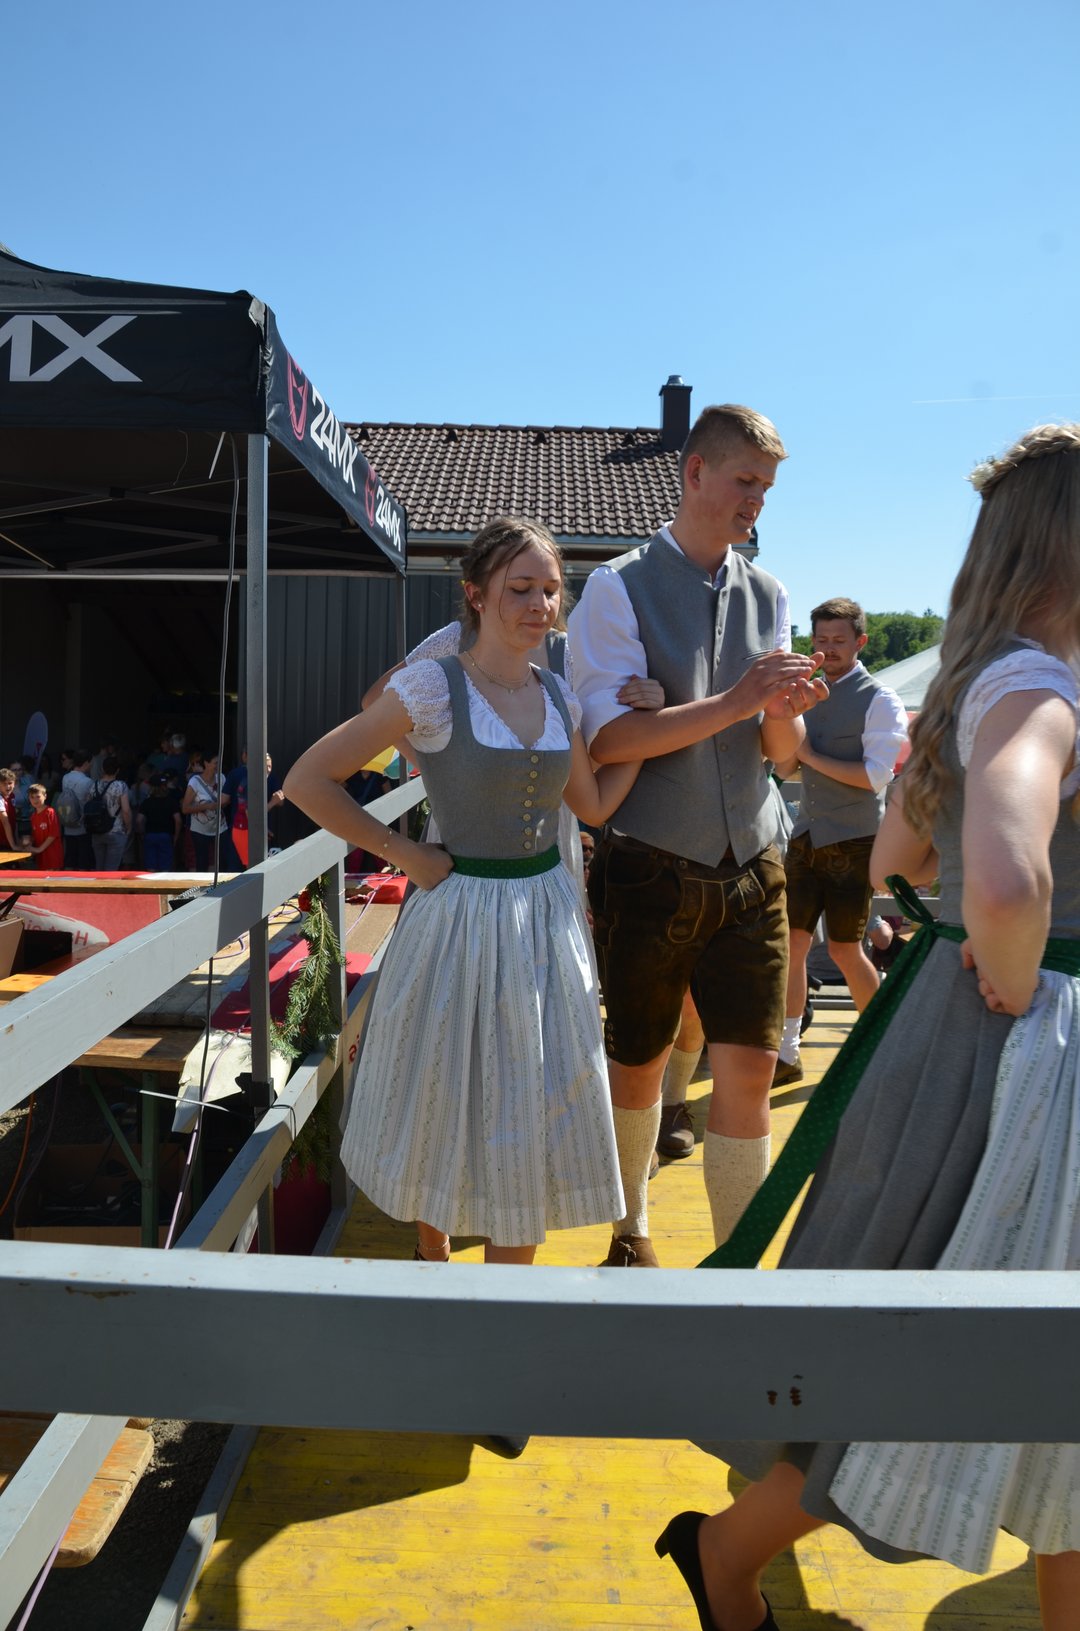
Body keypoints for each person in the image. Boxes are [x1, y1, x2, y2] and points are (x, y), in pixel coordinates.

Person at [657, 423, 1080, 1631]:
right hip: (1020, 1057)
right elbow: (1004, 881)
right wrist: (1019, 977)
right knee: (953, 1360)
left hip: (954, 1038)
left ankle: (726, 1554)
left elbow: (903, 854)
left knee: (969, 1362)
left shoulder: (974, 681)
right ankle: (725, 1553)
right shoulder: (1041, 689)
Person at [284, 515, 658, 1283]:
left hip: (545, 920)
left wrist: (646, 727)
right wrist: (404, 852)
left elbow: (591, 804)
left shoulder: (559, 695)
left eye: (550, 590)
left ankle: (505, 1298)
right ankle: (435, 1252)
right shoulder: (432, 687)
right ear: (476, 595)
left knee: (535, 1101)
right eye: (520, 588)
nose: (539, 605)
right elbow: (307, 779)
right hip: (458, 914)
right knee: (448, 1086)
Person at [568, 403, 828, 1266]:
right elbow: (608, 741)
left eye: (768, 487)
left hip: (756, 862)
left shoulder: (771, 593)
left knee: (749, 1068)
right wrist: (738, 699)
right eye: (746, 480)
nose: (758, 500)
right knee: (637, 1063)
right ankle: (631, 1231)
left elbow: (780, 755)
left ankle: (737, 1269)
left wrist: (784, 712)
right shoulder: (617, 587)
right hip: (649, 866)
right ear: (695, 473)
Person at [772, 596, 909, 1085]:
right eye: (821, 639)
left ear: (860, 642)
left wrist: (807, 754)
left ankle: (881, 1049)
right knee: (791, 948)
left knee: (846, 951)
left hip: (855, 842)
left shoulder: (881, 699)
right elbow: (785, 768)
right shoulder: (805, 692)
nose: (828, 648)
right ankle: (786, 1053)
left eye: (838, 640)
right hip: (806, 837)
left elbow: (875, 777)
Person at [221, 749, 285, 869]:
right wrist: (272, 802)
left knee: (255, 868)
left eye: (270, 766)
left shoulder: (268, 779)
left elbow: (280, 800)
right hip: (244, 830)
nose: (268, 770)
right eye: (265, 766)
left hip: (255, 830)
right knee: (248, 869)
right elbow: (252, 814)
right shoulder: (248, 783)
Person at [182, 751, 229, 872]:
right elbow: (185, 808)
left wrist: (220, 804)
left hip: (220, 827)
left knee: (223, 861)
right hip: (200, 830)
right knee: (202, 862)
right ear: (206, 763)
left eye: (219, 762)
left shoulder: (222, 778)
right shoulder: (195, 782)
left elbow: (227, 800)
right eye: (215, 763)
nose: (218, 765)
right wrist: (206, 806)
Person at [88, 756, 132, 870]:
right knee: (111, 869)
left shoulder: (94, 785)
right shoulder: (121, 786)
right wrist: (129, 827)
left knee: (99, 867)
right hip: (116, 830)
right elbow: (126, 810)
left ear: (102, 769)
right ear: (117, 770)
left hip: (96, 830)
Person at [59, 748, 95, 869]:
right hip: (82, 825)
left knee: (70, 858)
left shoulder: (65, 778)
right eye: (91, 762)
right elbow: (90, 802)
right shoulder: (88, 781)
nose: (91, 765)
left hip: (68, 823)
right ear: (86, 763)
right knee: (83, 861)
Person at [139, 773, 182, 871]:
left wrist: (142, 834)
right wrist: (176, 836)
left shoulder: (147, 802)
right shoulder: (171, 802)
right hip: (166, 835)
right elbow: (178, 820)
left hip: (150, 835)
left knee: (150, 867)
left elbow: (139, 820)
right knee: (165, 868)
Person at [24, 783, 64, 870]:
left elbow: (53, 834)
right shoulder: (33, 816)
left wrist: (39, 849)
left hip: (52, 855)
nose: (35, 800)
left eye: (38, 796)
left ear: (45, 796)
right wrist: (29, 842)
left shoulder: (50, 812)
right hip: (41, 857)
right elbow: (36, 835)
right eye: (32, 797)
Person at [0, 769, 18, 852]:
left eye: (10, 783)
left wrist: (16, 841)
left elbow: (13, 819)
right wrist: (13, 846)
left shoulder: (12, 796)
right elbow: (5, 822)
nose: (7, 786)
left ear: (14, 783)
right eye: (4, 784)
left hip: (8, 842)